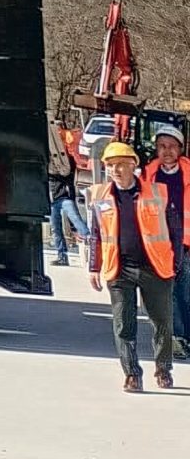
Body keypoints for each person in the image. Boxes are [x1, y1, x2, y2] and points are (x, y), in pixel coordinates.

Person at [87, 139, 176, 392]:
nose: (115, 170)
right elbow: (96, 233)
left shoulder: (156, 193)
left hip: (154, 268)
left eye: (121, 165)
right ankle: (132, 374)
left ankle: (163, 369)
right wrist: (94, 266)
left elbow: (175, 228)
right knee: (124, 325)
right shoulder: (101, 196)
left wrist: (176, 262)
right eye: (111, 165)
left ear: (133, 166)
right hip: (119, 269)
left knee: (162, 323)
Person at [147, 128, 190, 344]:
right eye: (162, 146)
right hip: (160, 245)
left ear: (181, 149)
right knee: (168, 294)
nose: (167, 151)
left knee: (186, 292)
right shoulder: (148, 175)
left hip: (187, 244)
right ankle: (178, 338)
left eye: (172, 146)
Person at [48, 134, 85, 267]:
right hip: (54, 199)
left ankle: (91, 246)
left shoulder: (67, 162)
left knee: (77, 222)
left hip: (64, 197)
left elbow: (66, 172)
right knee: (56, 229)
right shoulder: (49, 161)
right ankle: (62, 256)